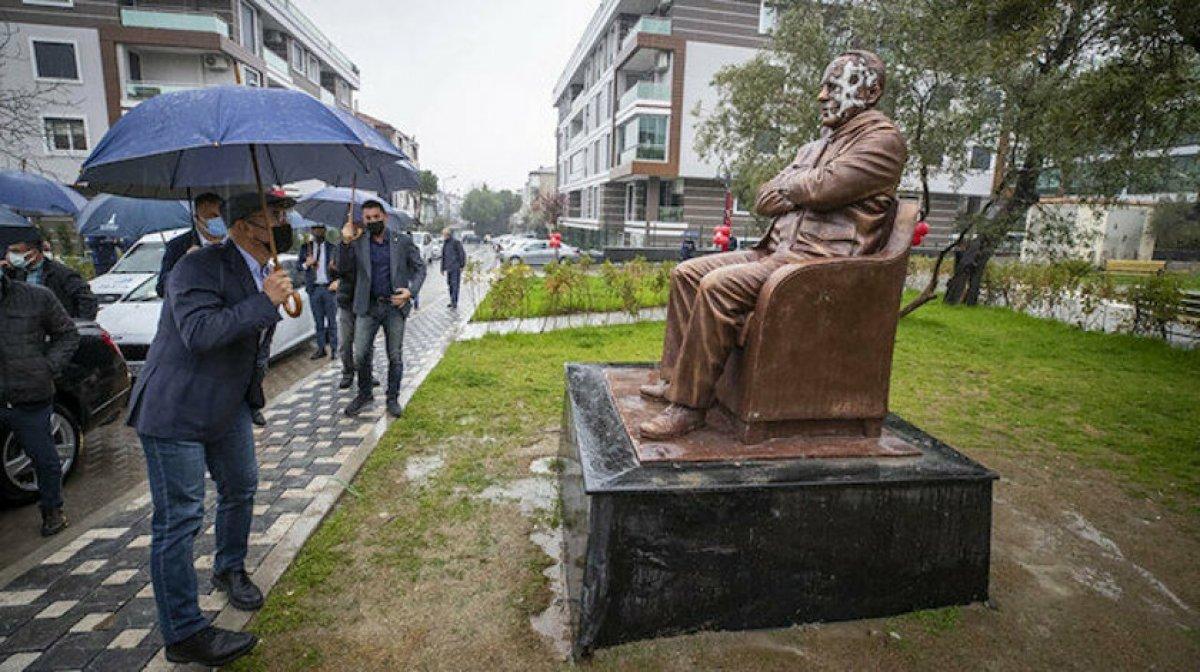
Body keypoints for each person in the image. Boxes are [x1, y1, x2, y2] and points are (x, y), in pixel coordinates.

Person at [638, 50, 907, 440]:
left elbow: (824, 189)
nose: (822, 96)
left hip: (819, 264)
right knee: (687, 273)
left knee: (718, 285)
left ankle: (689, 407)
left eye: (834, 87)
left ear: (870, 91)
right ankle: (675, 379)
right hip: (776, 252)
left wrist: (800, 186)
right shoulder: (815, 147)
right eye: (823, 87)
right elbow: (765, 199)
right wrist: (804, 187)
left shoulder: (883, 141)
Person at [127, 191, 295, 667]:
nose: (282, 226)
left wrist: (271, 298)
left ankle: (229, 569)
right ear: (240, 226)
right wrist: (264, 302)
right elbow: (199, 333)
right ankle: (183, 633)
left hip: (227, 406)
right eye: (271, 218)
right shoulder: (195, 266)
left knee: (241, 486)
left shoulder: (265, 269)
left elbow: (252, 344)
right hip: (176, 408)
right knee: (180, 518)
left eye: (283, 216)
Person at [0, 268, 80, 536]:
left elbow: (67, 334)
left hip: (29, 394)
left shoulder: (36, 297)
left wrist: (47, 367)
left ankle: (52, 509)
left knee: (44, 458)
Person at [339, 200, 426, 418]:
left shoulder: (402, 241)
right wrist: (346, 242)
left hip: (394, 307)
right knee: (360, 354)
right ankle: (365, 393)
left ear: (385, 217)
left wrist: (410, 292)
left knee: (394, 355)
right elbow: (344, 270)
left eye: (376, 217)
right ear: (363, 220)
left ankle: (392, 398)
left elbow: (420, 268)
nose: (372, 221)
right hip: (367, 307)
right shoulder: (358, 242)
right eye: (368, 218)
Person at [5, 235, 98, 320]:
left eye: (16, 251)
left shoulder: (61, 273)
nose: (11, 256)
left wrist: (77, 325)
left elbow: (87, 300)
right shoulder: (15, 273)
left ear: (34, 252)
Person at [156, 192, 226, 299]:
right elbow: (162, 288)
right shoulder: (178, 246)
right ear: (197, 218)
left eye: (222, 215)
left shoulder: (236, 241)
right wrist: (185, 265)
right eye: (212, 217)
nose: (219, 220)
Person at [301, 226, 338, 359]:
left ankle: (334, 349)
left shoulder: (332, 248)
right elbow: (299, 266)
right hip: (314, 289)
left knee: (332, 321)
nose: (318, 231)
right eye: (315, 229)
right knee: (318, 322)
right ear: (312, 230)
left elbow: (341, 268)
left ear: (325, 230)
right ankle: (321, 349)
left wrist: (335, 269)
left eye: (321, 229)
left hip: (329, 289)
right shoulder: (305, 248)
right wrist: (306, 264)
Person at [440, 227, 466, 310]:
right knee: (450, 285)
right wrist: (442, 268)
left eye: (444, 235)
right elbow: (443, 256)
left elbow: (462, 254)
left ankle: (454, 302)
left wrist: (462, 265)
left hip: (455, 267)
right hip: (448, 268)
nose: (444, 236)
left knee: (455, 285)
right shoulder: (445, 244)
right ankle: (452, 300)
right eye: (443, 235)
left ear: (448, 234)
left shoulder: (456, 242)